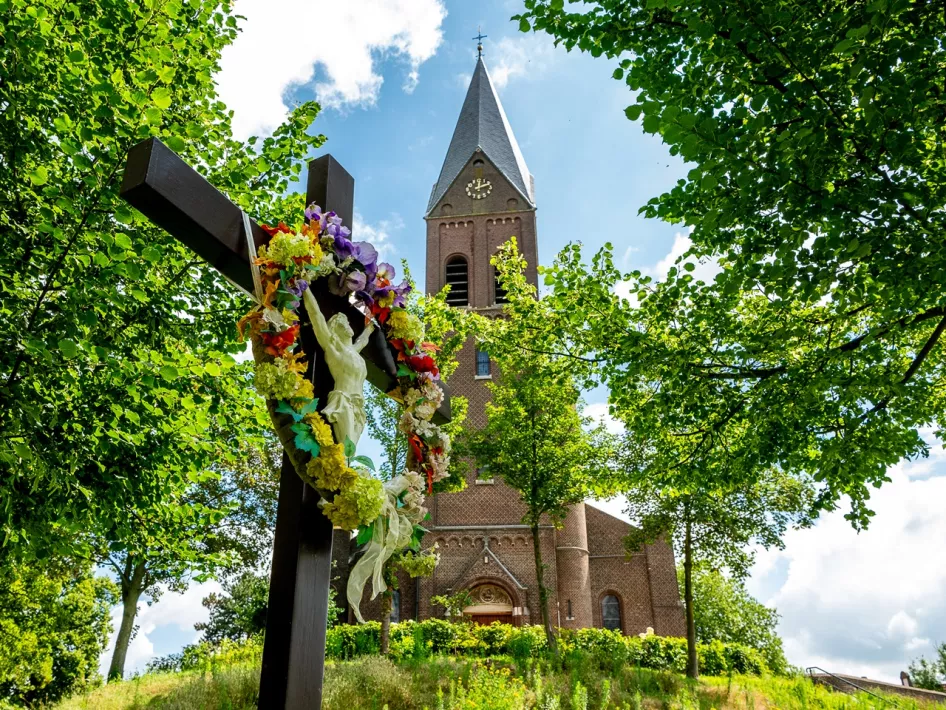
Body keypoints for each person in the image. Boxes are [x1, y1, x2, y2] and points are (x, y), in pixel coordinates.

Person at [303, 289, 374, 447]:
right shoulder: (333, 348)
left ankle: (345, 471)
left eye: (348, 322)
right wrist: (306, 289)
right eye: (344, 323)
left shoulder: (354, 352)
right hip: (343, 399)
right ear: (335, 328)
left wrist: (371, 321)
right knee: (346, 447)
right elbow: (316, 315)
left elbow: (364, 338)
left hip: (359, 406)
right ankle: (338, 470)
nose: (348, 325)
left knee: (351, 451)